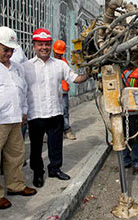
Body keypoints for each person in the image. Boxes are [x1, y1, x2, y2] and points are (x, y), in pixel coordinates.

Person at [22, 28, 89, 188]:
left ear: (50, 45)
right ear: (34, 46)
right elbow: (20, 90)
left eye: (46, 44)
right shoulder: (26, 67)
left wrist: (89, 73)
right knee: (36, 148)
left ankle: (55, 169)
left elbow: (75, 79)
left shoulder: (60, 65)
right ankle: (38, 173)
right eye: (40, 44)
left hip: (55, 113)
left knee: (56, 145)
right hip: (35, 115)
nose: (44, 47)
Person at [0, 26, 37, 210]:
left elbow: (22, 91)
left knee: (16, 155)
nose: (9, 53)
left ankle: (16, 185)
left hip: (15, 119)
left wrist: (24, 111)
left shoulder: (17, 68)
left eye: (11, 50)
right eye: (5, 49)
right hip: (0, 120)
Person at [53, 40, 76, 140]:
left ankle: (66, 130)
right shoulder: (50, 62)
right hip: (53, 92)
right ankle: (51, 131)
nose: (58, 55)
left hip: (63, 91)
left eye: (59, 53)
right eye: (56, 53)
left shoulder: (64, 63)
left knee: (64, 112)